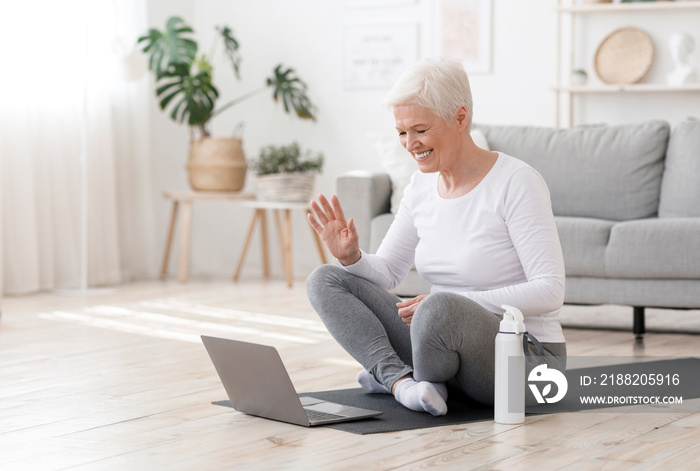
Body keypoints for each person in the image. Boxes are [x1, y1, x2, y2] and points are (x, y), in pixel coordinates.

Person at [306, 57, 566, 416]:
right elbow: (389, 272)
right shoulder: (421, 185)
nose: (410, 143)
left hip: (526, 358)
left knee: (439, 305)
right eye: (401, 132)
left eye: (420, 130)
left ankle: (408, 377)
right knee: (326, 279)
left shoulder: (516, 182)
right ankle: (403, 383)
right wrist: (352, 257)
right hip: (438, 343)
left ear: (460, 118)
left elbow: (551, 289)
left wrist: (450, 302)